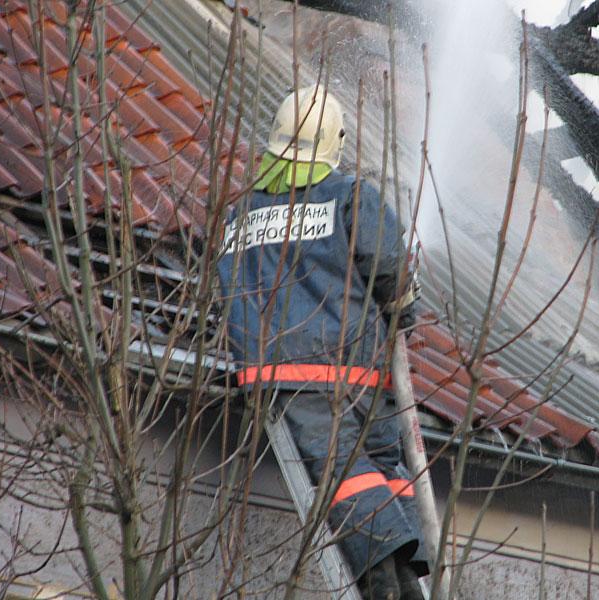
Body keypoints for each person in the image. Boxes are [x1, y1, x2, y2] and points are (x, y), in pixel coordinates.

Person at [217, 86, 427, 600]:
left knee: (352, 481)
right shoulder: (353, 196)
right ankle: (397, 588)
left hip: (284, 377)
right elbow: (391, 275)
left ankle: (394, 586)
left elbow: (231, 290)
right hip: (360, 374)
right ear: (335, 143)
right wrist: (404, 311)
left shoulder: (237, 216)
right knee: (373, 473)